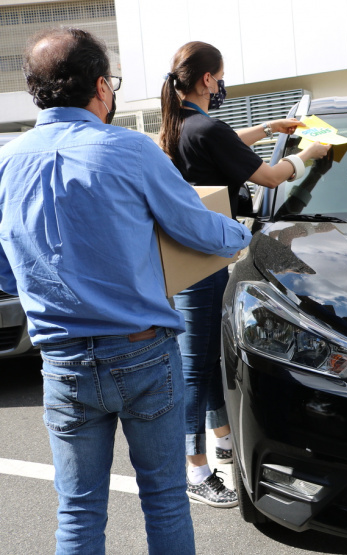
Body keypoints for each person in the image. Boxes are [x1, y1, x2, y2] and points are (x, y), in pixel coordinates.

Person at [0, 28, 252, 554]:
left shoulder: (6, 162)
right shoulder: (129, 149)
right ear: (101, 87)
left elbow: (5, 268)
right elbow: (198, 229)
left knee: (78, 511)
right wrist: (244, 234)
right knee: (163, 499)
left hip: (62, 360)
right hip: (142, 351)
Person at [159, 41, 331, 508]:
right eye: (220, 76)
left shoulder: (181, 127)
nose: (222, 85)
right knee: (195, 367)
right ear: (208, 79)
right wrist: (310, 153)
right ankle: (194, 470)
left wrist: (272, 127)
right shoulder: (206, 127)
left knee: (210, 360)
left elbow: (225, 143)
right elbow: (271, 177)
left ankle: (220, 447)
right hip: (202, 260)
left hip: (189, 259)